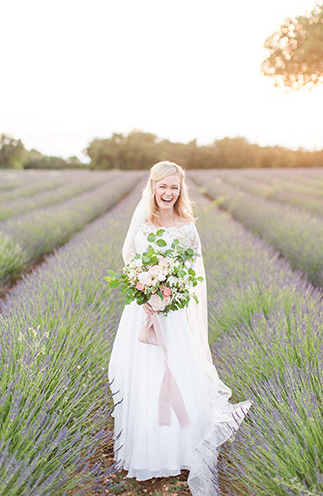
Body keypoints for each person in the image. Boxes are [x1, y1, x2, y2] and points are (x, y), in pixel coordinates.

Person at [108, 161, 251, 495]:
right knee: (143, 371)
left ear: (180, 189)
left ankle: (180, 449)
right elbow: (128, 252)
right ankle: (146, 449)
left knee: (175, 369)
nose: (169, 193)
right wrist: (142, 287)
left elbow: (194, 269)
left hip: (172, 310)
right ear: (153, 187)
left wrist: (171, 290)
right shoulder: (142, 219)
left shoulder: (187, 226)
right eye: (163, 186)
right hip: (141, 309)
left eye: (175, 187)